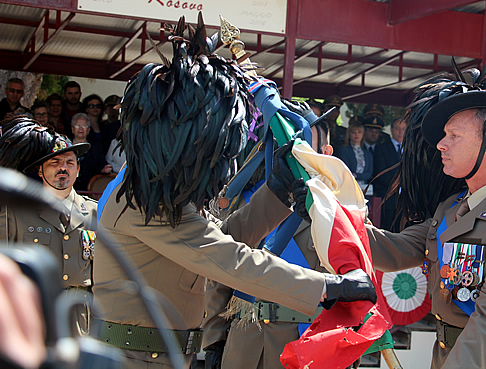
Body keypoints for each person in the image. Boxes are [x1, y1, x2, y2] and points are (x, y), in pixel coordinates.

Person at [93, 18, 375, 369]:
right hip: (134, 359)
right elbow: (227, 258)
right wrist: (331, 288)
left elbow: (220, 238)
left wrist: (277, 193)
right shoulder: (143, 198)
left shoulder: (164, 191)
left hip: (161, 353)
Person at [357, 66, 486, 369]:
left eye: (454, 135)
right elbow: (394, 250)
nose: (441, 144)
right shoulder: (453, 208)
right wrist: (329, 212)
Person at [211, 118, 335, 369]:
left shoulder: (340, 209)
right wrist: (214, 340)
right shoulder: (250, 202)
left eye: (304, 143)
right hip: (244, 342)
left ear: (326, 152)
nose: (295, 152)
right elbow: (220, 273)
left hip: (303, 341)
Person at [0, 126, 97, 336]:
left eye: (70, 163)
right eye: (55, 162)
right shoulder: (16, 212)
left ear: (78, 170)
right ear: (41, 170)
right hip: (34, 310)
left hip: (80, 317)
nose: (63, 168)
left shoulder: (94, 212)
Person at [372, 118, 406, 231]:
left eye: (403, 129)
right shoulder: (381, 148)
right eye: (397, 128)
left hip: (405, 199)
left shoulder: (410, 149)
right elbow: (380, 173)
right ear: (391, 129)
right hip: (387, 197)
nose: (400, 132)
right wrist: (398, 183)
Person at [69, 113, 112, 191]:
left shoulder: (96, 148)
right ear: (72, 129)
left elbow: (102, 165)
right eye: (78, 125)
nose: (81, 128)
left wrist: (104, 169)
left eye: (84, 126)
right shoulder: (66, 147)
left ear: (88, 130)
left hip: (90, 190)